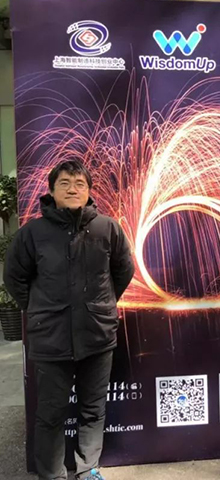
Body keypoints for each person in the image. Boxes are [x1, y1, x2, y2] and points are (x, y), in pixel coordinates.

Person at [3, 160, 135, 480]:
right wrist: (40, 309)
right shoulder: (32, 234)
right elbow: (14, 278)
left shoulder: (107, 228)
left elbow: (123, 271)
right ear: (51, 190)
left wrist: (101, 306)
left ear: (89, 191)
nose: (72, 189)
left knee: (93, 409)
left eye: (79, 184)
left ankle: (88, 468)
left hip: (97, 335)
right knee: (50, 413)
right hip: (51, 338)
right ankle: (52, 474)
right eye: (64, 183)